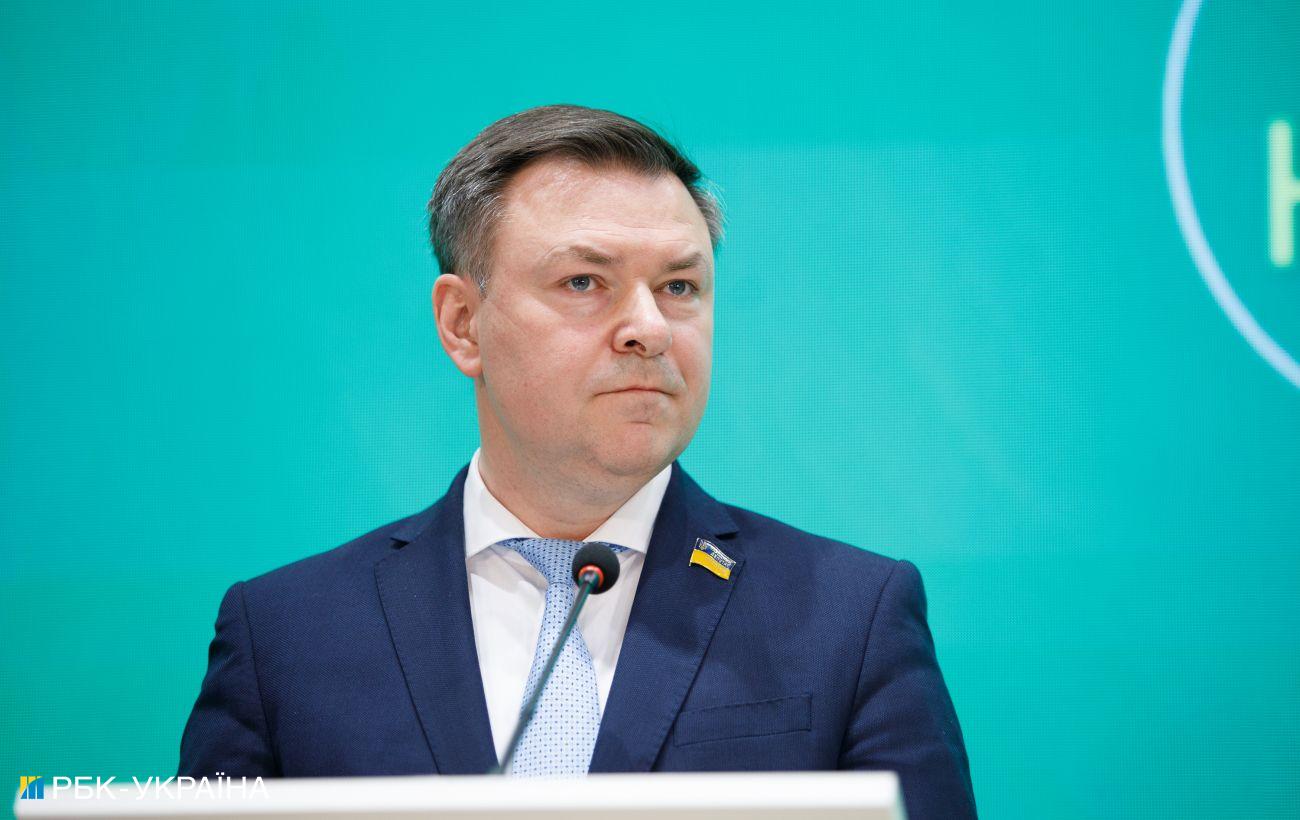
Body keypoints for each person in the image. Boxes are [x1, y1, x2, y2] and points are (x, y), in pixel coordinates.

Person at [178, 104, 976, 818]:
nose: (649, 329)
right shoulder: (285, 634)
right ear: (463, 324)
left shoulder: (851, 618)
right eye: (585, 281)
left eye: (680, 287)